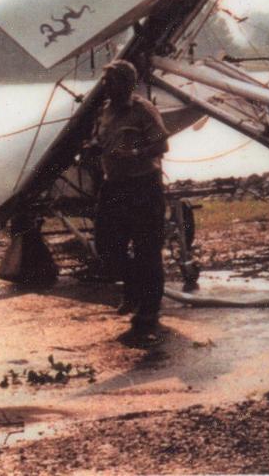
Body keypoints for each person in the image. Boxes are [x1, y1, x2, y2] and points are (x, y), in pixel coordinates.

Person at [88, 60, 171, 344]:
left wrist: (135, 153)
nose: (106, 86)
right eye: (104, 81)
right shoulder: (105, 112)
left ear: (127, 83)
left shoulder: (143, 110)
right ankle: (135, 288)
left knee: (148, 249)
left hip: (144, 185)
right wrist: (94, 149)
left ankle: (148, 311)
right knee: (106, 245)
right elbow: (101, 142)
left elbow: (161, 144)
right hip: (114, 185)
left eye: (110, 81)